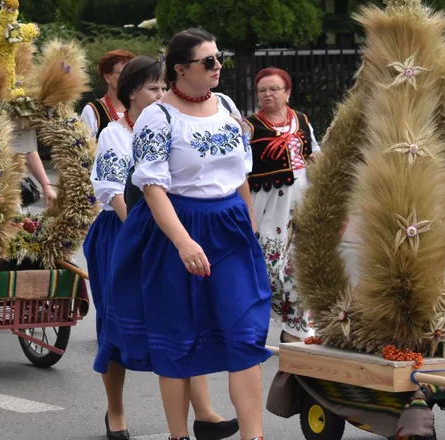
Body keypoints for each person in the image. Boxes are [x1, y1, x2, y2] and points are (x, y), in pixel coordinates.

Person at [95, 28, 270, 440]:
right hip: (177, 225)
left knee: (244, 333)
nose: (218, 67)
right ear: (180, 69)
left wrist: (249, 222)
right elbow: (152, 187)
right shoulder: (159, 116)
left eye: (219, 58)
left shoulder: (226, 105)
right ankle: (179, 435)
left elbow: (240, 173)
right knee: (179, 338)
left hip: (228, 226)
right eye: (208, 61)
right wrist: (183, 241)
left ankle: (254, 436)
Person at [246, 67, 320, 342]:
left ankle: (294, 329)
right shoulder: (249, 126)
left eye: (274, 89)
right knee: (268, 266)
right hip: (266, 202)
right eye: (262, 90)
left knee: (299, 265)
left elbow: (314, 155)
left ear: (287, 93)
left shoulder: (301, 120)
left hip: (301, 197)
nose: (268, 94)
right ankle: (259, 325)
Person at [81, 50, 136, 140]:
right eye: (124, 73)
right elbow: (83, 148)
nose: (129, 78)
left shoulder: (139, 107)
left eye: (133, 73)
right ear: (107, 77)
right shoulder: (93, 111)